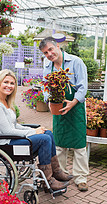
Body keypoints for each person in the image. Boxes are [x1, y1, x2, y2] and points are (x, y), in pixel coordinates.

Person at [0, 69, 73, 191]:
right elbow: (7, 131)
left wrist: (36, 129)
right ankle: (48, 180)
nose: (9, 86)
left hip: (11, 139)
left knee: (48, 133)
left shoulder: (5, 100)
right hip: (4, 143)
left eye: (12, 83)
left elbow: (15, 126)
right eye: (6, 82)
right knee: (44, 139)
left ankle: (56, 172)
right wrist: (33, 132)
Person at [39, 36, 89, 192]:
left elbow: (82, 87)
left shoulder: (76, 62)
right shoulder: (48, 65)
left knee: (79, 145)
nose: (49, 54)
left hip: (75, 107)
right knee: (59, 144)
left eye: (50, 50)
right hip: (59, 108)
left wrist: (73, 102)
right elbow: (45, 86)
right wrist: (48, 100)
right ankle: (62, 173)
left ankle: (81, 178)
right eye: (45, 53)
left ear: (57, 47)